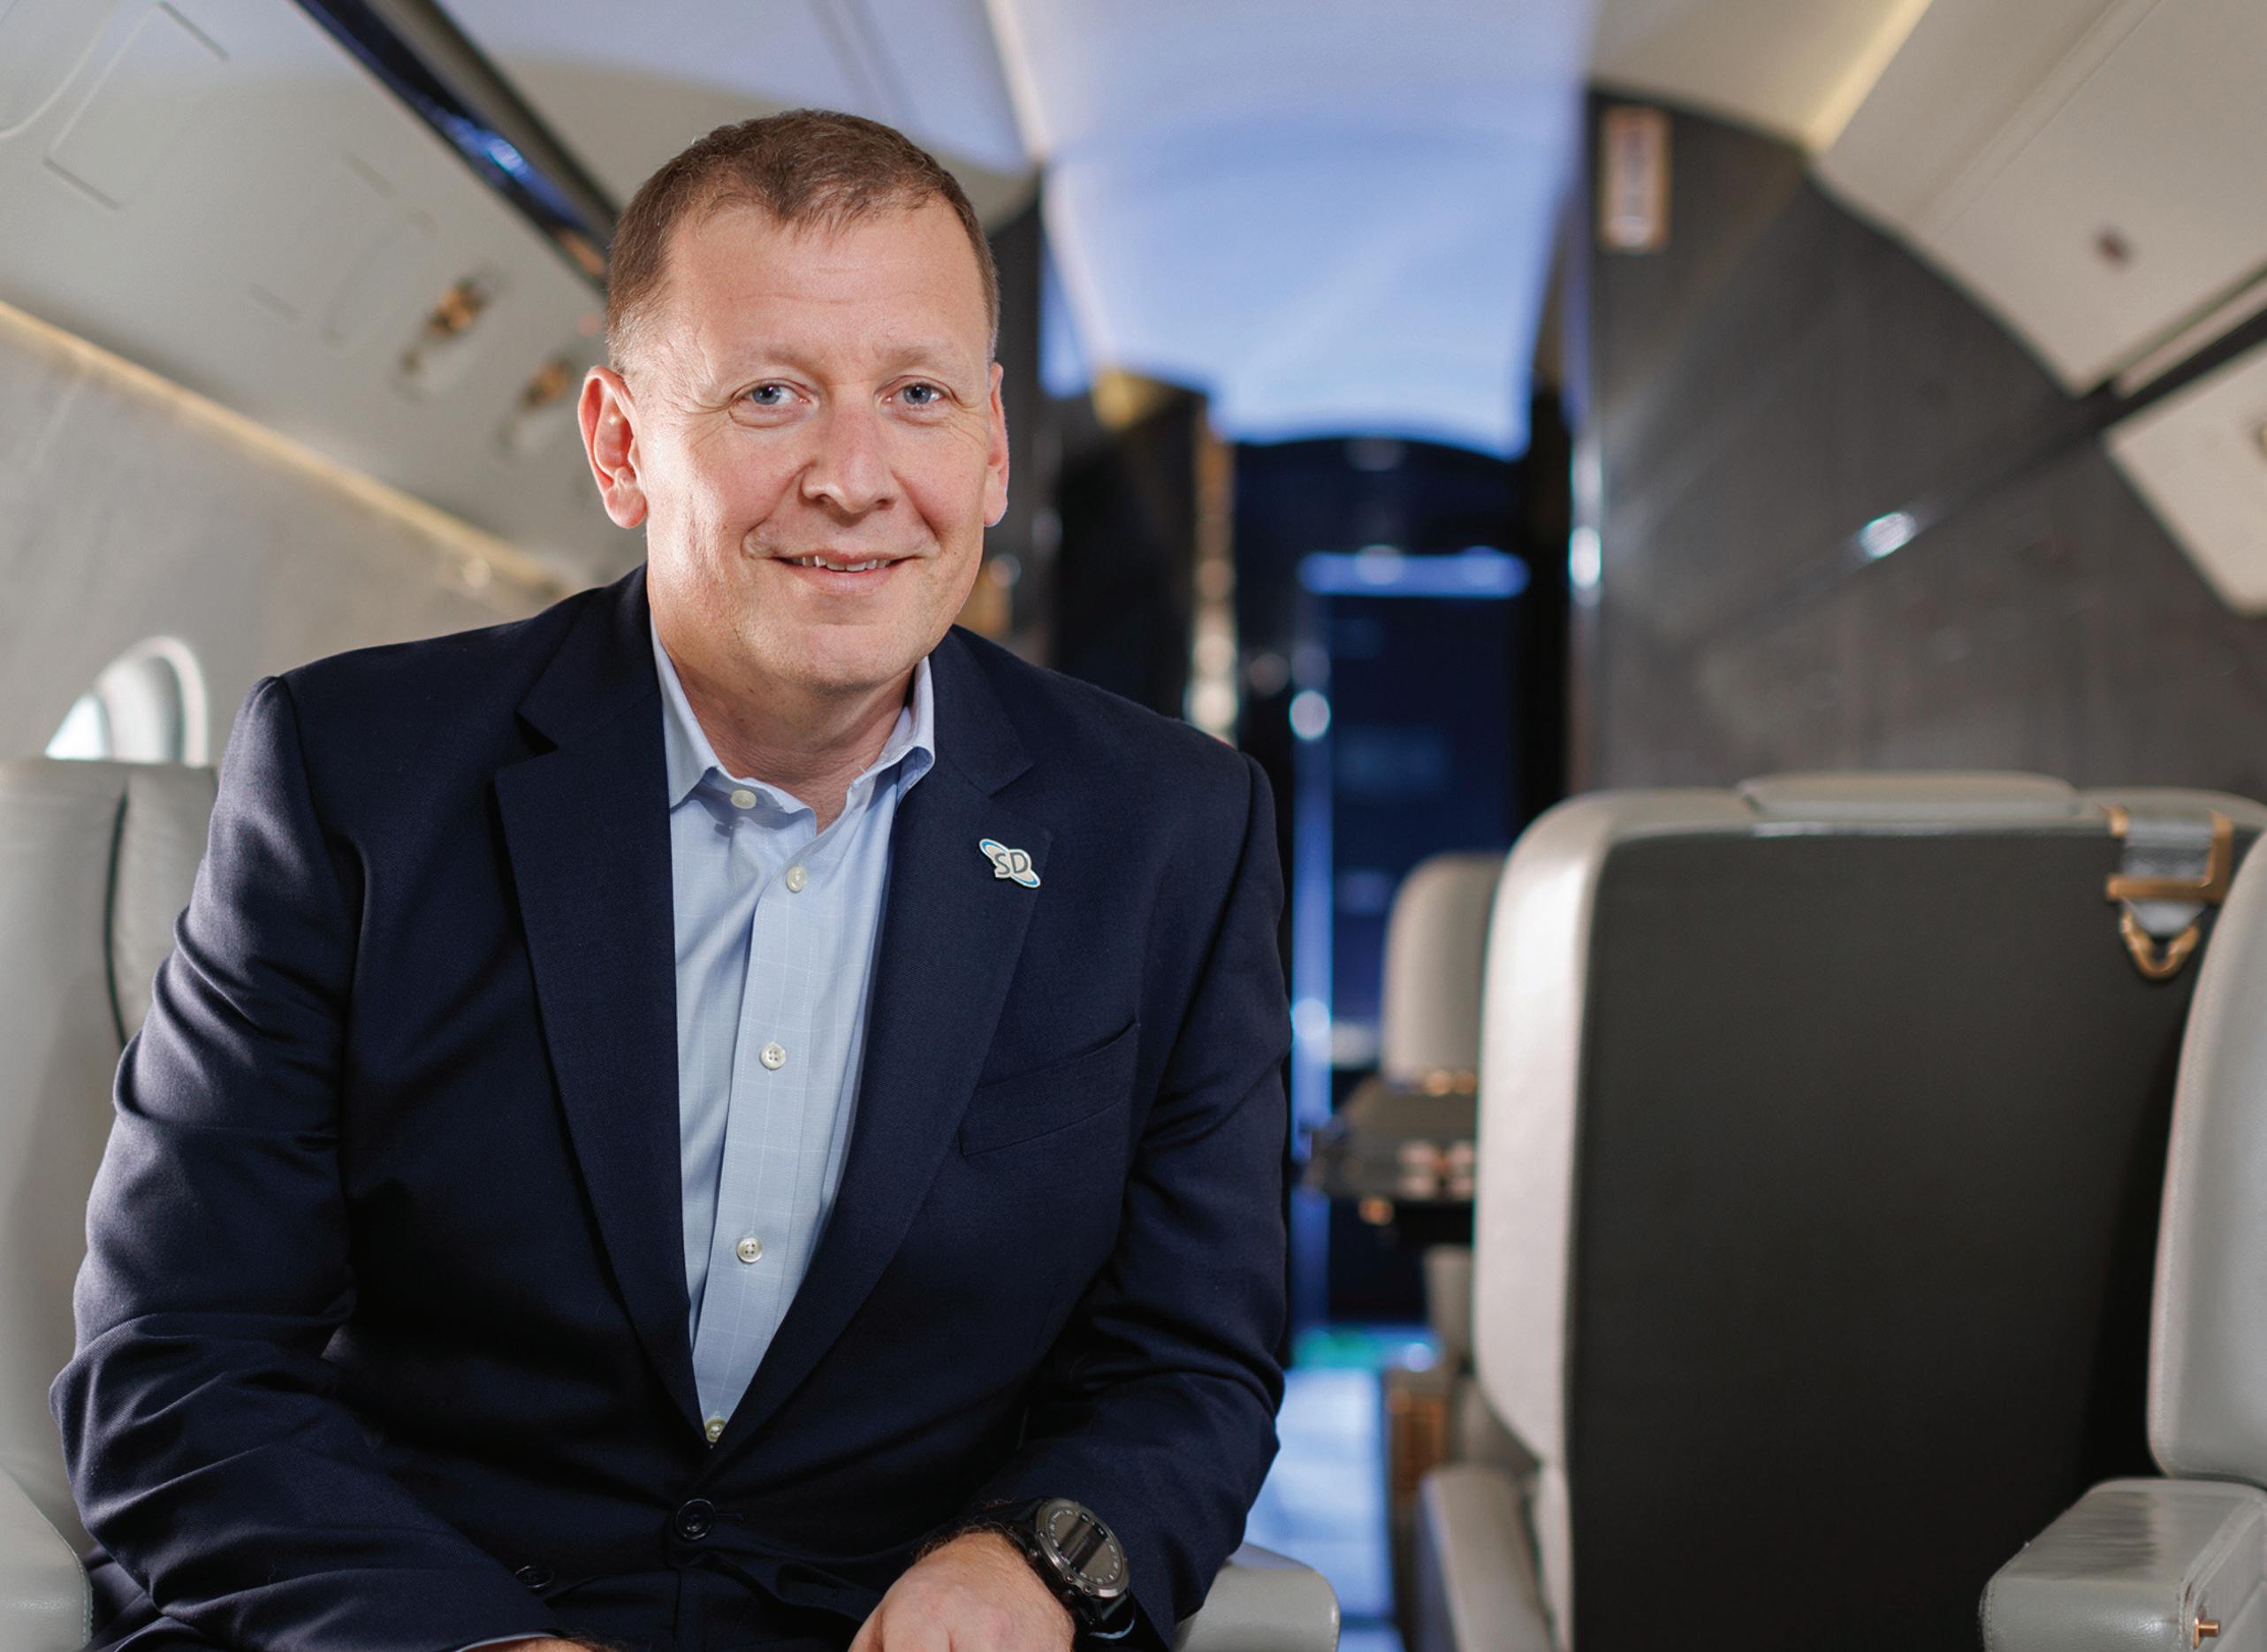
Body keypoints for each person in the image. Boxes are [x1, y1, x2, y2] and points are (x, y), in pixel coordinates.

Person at [54, 110, 1289, 1652]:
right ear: (620, 446)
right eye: (770, 394)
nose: (854, 478)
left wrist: (1029, 1563)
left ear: (989, 447)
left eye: (914, 395)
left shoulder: (1168, 828)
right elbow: (177, 1363)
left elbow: (1187, 1363)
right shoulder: (355, 772)